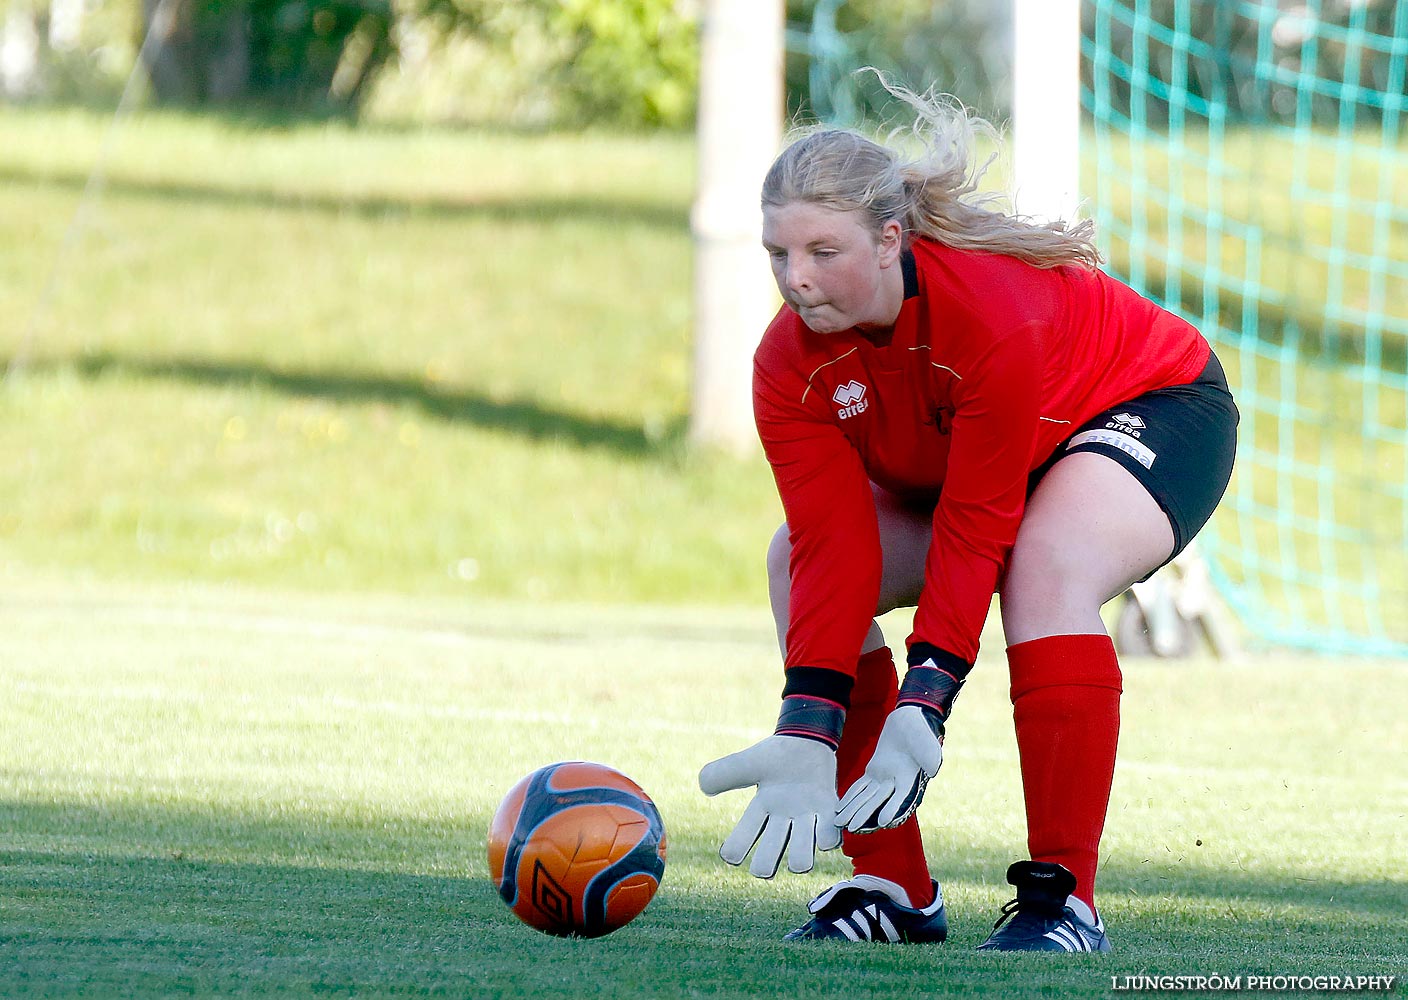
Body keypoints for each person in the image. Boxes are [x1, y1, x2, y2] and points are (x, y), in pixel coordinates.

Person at [697, 86, 1238, 953]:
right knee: (790, 561)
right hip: (997, 458)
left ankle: (1065, 900)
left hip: (1151, 405)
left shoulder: (988, 314)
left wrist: (929, 696)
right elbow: (834, 548)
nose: (796, 278)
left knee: (1046, 570)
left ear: (889, 239)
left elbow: (977, 524)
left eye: (822, 251)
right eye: (779, 253)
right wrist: (809, 721)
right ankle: (892, 890)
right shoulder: (785, 363)